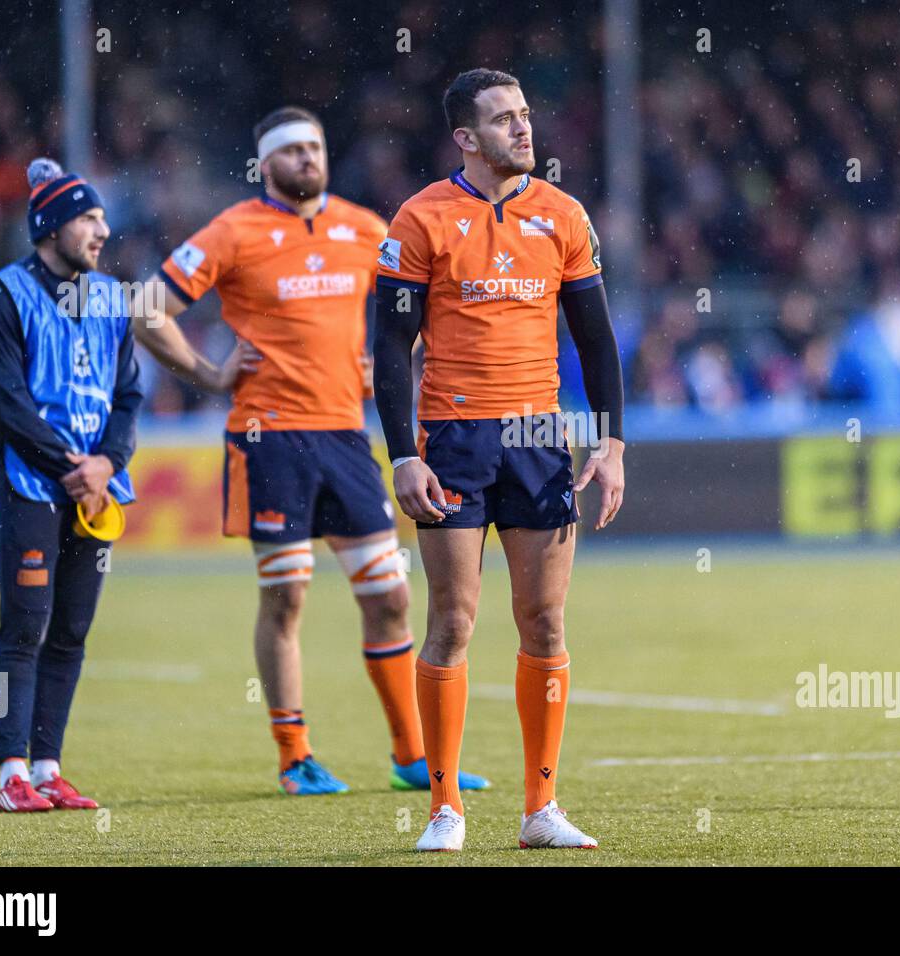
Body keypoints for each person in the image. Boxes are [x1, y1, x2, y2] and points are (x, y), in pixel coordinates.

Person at [129, 107, 488, 796]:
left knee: (390, 596)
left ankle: (412, 756)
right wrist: (209, 375)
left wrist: (380, 365)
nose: (307, 159)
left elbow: (413, 311)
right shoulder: (234, 230)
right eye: (292, 151)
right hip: (271, 439)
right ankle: (295, 757)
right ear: (266, 164)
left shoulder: (366, 227)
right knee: (287, 598)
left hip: (347, 438)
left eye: (315, 147)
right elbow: (148, 309)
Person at [373, 69, 626, 851]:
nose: (523, 129)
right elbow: (388, 346)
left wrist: (611, 442)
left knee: (544, 620)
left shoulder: (562, 215)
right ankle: (444, 808)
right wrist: (402, 457)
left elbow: (597, 340)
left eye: (524, 115)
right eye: (503, 120)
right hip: (453, 440)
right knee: (452, 621)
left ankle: (540, 810)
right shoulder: (420, 218)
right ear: (465, 138)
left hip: (538, 443)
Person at [0, 157, 142, 812]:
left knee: (71, 629)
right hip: (28, 483)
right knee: (26, 625)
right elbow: (5, 403)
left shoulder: (115, 299)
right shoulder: (2, 298)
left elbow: (128, 399)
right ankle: (10, 773)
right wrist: (78, 466)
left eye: (101, 218)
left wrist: (109, 465)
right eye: (89, 218)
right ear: (51, 225)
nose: (103, 230)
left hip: (95, 486)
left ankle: (47, 767)